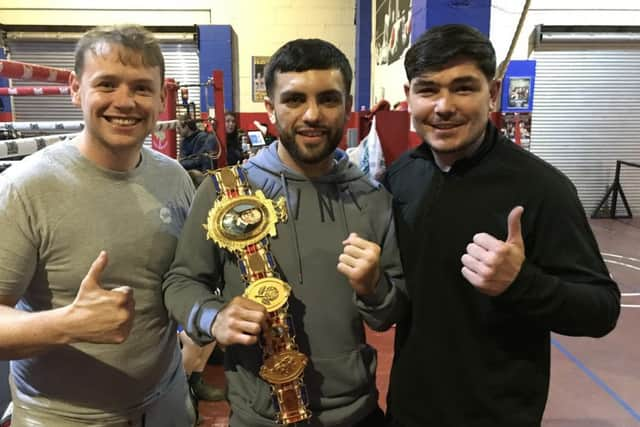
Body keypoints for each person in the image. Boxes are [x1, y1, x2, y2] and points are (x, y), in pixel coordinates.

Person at [382, 24, 621, 427]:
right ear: (409, 98)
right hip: (410, 409)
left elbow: (602, 309)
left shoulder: (541, 188)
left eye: (463, 88)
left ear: (491, 93)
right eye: (427, 90)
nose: (443, 106)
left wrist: (522, 284)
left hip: (498, 415)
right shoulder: (402, 176)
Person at [163, 38, 406, 427]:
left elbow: (389, 314)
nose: (312, 114)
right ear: (270, 108)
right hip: (258, 414)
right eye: (294, 100)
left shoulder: (373, 199)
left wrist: (373, 286)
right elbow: (181, 281)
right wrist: (213, 317)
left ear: (346, 107)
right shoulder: (225, 191)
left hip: (355, 413)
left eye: (328, 99)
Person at [0, 24, 197, 426]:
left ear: (161, 99)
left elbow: (190, 275)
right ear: (75, 89)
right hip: (64, 417)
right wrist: (67, 324)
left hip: (168, 404)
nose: (125, 102)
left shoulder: (174, 177)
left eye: (141, 88)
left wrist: (198, 339)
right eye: (107, 84)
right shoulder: (25, 188)